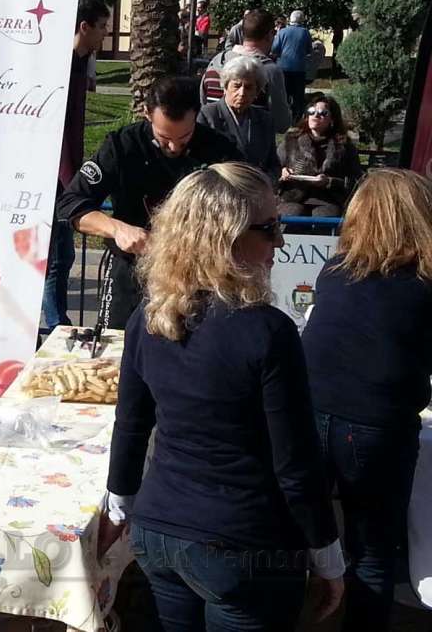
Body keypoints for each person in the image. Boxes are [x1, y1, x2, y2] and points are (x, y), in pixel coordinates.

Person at [100, 162, 345, 630]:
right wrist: (329, 558)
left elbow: (131, 426)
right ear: (225, 240)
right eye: (269, 228)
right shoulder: (268, 332)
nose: (280, 242)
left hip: (160, 531)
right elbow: (296, 464)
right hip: (242, 542)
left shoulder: (149, 319)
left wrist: (119, 508)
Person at [303, 168, 432, 632]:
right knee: (373, 551)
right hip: (378, 426)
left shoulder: (335, 271)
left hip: (312, 413)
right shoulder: (423, 283)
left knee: (300, 532)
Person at [57, 77, 242, 329]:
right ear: (147, 113)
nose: (174, 147)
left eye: (185, 137)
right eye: (164, 137)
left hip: (197, 274)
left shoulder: (220, 149)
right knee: (117, 342)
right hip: (130, 269)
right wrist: (117, 229)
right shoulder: (122, 145)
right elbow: (71, 203)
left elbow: (248, 200)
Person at [44, 0, 111, 332]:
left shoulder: (81, 63)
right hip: (53, 177)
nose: (105, 34)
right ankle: (56, 324)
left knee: (63, 255)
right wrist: (71, 180)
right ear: (84, 27)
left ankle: (57, 321)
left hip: (67, 176)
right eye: (102, 27)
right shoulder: (61, 66)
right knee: (57, 257)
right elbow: (56, 127)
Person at [202, 9, 292, 132]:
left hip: (211, 138)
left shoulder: (215, 62)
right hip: (250, 140)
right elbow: (281, 123)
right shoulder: (270, 71)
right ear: (270, 35)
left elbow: (202, 105)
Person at [277, 93, 362, 217]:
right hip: (293, 197)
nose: (316, 115)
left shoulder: (344, 145)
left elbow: (356, 179)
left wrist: (329, 182)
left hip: (329, 199)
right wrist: (283, 173)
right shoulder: (291, 140)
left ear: (332, 119)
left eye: (323, 113)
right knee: (291, 215)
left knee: (325, 217)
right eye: (312, 111)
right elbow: (274, 168)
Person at [197, 55, 280, 180]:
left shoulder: (265, 120)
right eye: (236, 86)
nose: (242, 93)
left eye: (249, 87)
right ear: (225, 87)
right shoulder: (208, 115)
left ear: (257, 92)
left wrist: (265, 181)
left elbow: (273, 164)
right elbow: (199, 163)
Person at [272, 10, 314, 121]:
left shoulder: (282, 32)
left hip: (283, 67)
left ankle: (283, 117)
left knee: (284, 94)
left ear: (290, 19)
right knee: (298, 96)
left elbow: (275, 49)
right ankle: (297, 118)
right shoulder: (305, 32)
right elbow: (309, 50)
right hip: (299, 68)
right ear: (302, 19)